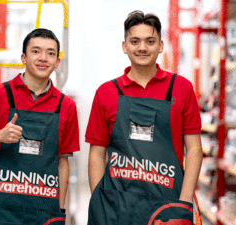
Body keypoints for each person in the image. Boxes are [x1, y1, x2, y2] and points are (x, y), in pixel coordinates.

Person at [86, 11, 203, 224]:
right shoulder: (106, 92)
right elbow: (96, 153)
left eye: (150, 41)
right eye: (135, 41)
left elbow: (194, 149)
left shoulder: (182, 88)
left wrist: (184, 203)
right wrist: (99, 200)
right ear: (124, 46)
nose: (142, 48)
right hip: (117, 206)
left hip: (167, 207)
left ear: (160, 46)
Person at [0, 28, 80, 225]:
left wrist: (59, 212)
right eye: (36, 51)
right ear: (23, 57)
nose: (43, 58)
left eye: (50, 53)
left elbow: (63, 163)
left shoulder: (66, 106)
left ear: (57, 62)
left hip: (43, 211)